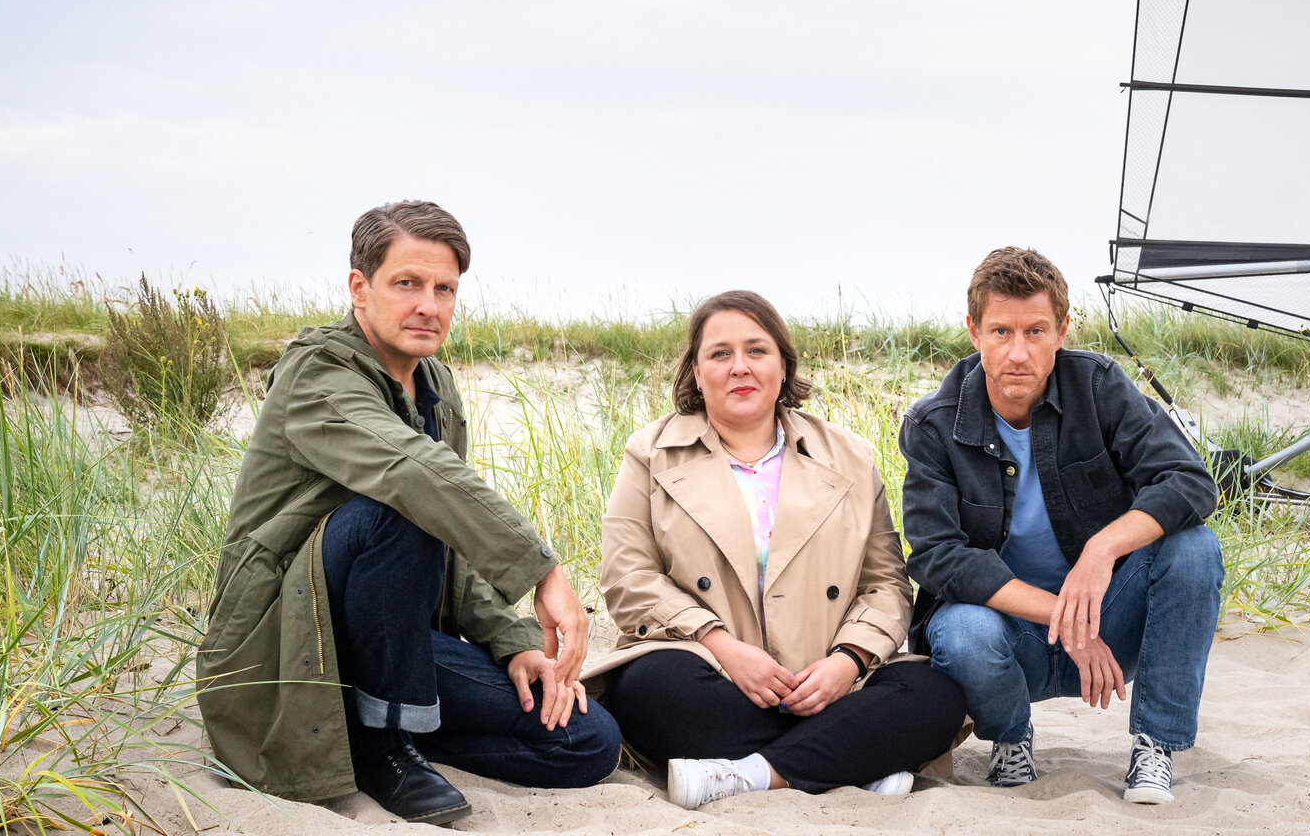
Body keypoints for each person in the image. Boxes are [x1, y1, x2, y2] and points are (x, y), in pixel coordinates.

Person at [196, 201, 620, 827]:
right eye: (407, 284)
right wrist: (541, 571)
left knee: (588, 742)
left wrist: (512, 643)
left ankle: (376, 725)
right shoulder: (317, 373)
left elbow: (451, 535)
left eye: (444, 288)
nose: (429, 305)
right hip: (287, 640)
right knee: (395, 510)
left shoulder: (436, 385)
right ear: (359, 288)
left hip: (392, 640)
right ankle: (384, 746)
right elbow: (412, 475)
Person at [583, 290, 967, 810]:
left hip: (827, 680)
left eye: (757, 350)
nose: (739, 366)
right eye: (720, 354)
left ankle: (750, 773)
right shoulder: (649, 453)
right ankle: (852, 759)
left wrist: (848, 663)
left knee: (936, 697)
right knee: (650, 690)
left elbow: (887, 584)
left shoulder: (849, 457)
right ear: (696, 372)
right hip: (710, 671)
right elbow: (628, 576)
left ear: (784, 365)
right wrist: (724, 648)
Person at [899, 247, 1223, 804]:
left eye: (1036, 330)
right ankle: (1010, 738)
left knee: (1194, 549)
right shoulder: (934, 423)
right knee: (959, 631)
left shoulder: (1099, 386)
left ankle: (1153, 747)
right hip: (1013, 634)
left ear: (1063, 330)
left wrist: (1101, 549)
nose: (1018, 352)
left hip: (1109, 617)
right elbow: (937, 556)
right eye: (1001, 331)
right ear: (973, 331)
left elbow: (1190, 481)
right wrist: (1063, 618)